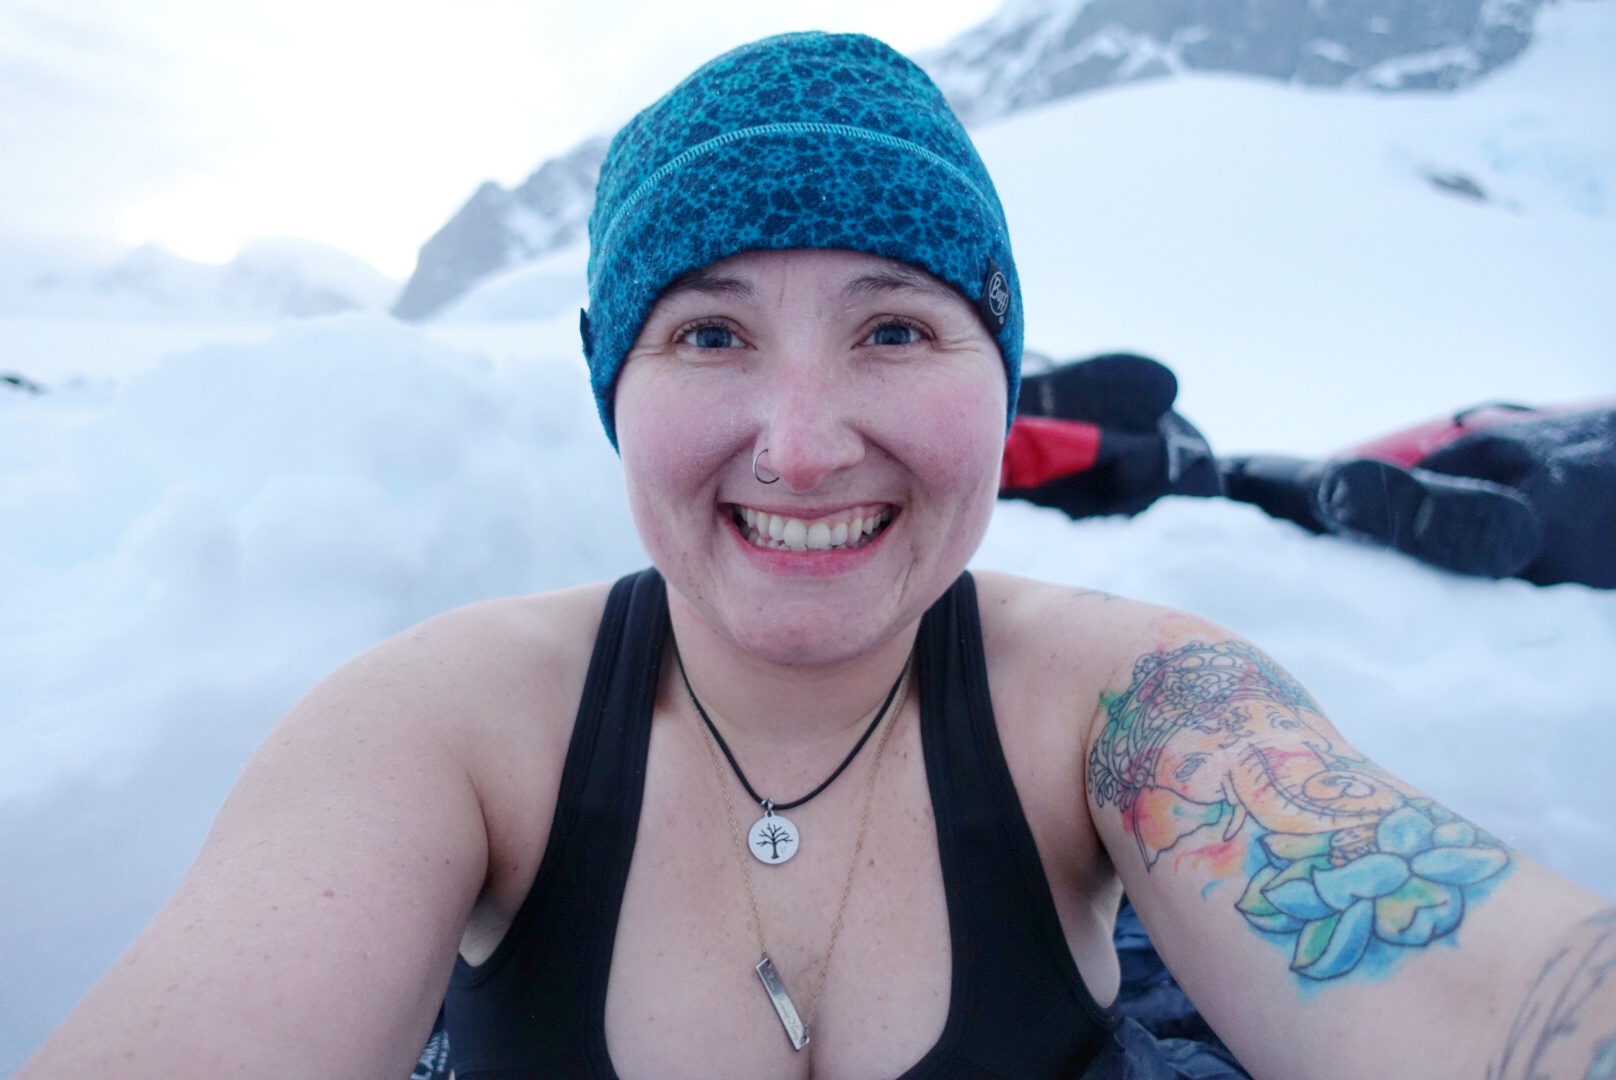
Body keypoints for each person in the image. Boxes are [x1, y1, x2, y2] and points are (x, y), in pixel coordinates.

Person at [19, 32, 1614, 1080]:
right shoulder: (441, 729)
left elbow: (1485, 996)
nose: (800, 444)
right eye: (709, 330)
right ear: (610, 388)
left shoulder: (1131, 703)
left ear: (999, 372)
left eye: (896, 328)